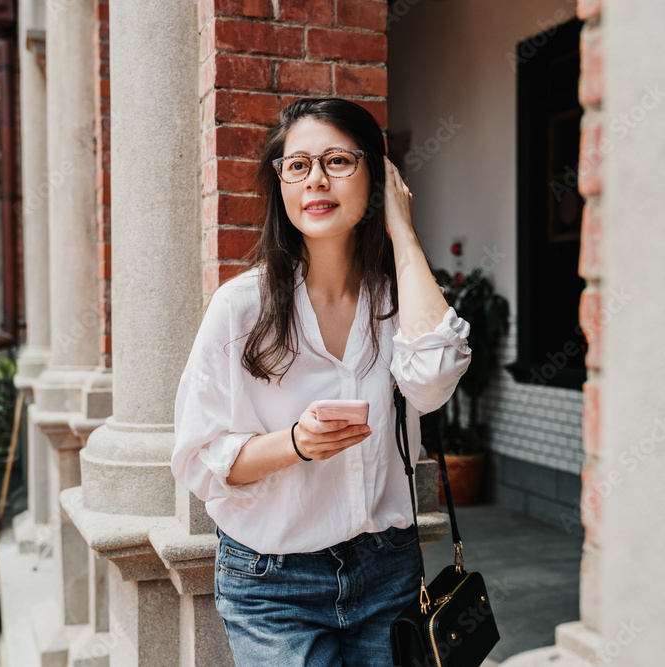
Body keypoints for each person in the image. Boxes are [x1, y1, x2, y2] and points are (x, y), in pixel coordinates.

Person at [170, 97, 472, 666]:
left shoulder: (395, 301)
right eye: (298, 165)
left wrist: (402, 233)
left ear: (376, 176)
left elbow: (432, 382)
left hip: (388, 571)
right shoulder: (241, 308)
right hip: (273, 582)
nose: (316, 180)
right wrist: (295, 445)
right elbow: (197, 458)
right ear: (280, 183)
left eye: (339, 161)